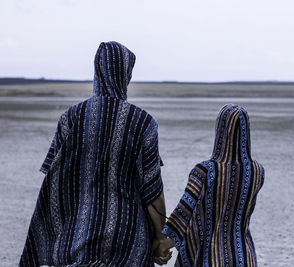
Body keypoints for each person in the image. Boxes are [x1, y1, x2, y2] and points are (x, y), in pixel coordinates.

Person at [19, 41, 171, 266]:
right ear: (125, 73)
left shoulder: (70, 118)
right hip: (129, 243)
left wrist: (53, 235)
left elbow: (54, 182)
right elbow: (153, 192)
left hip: (76, 238)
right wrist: (160, 238)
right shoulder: (143, 123)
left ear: (97, 71)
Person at [161, 104, 265, 266]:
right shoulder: (257, 171)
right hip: (244, 256)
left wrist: (161, 246)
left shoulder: (205, 170)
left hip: (209, 256)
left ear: (220, 130)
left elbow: (183, 215)